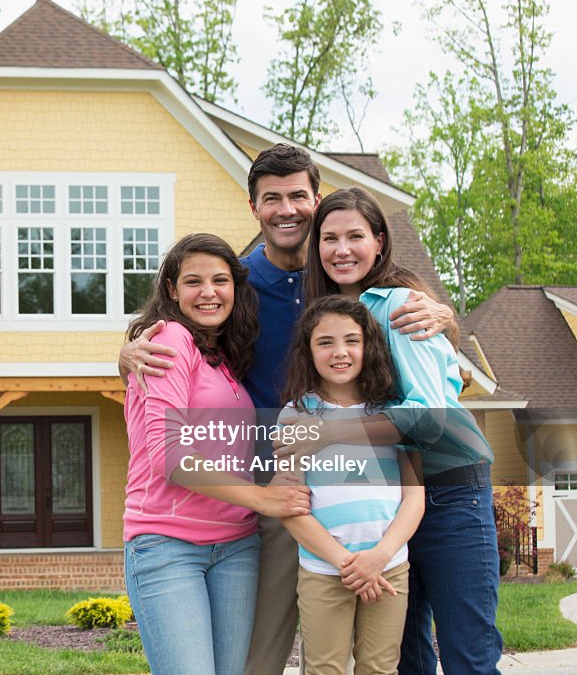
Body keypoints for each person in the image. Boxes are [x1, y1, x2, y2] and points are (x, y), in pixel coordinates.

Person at [120, 143, 456, 675]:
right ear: (252, 206)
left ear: (317, 200)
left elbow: (420, 341)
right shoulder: (238, 284)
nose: (287, 209)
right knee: (261, 654)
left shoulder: (350, 277)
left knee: (385, 649)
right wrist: (128, 350)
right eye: (271, 198)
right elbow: (184, 344)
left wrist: (444, 313)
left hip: (371, 493)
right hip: (274, 496)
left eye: (299, 195)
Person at [290, 187, 502, 675]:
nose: (342, 249)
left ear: (380, 241)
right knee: (404, 658)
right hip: (384, 504)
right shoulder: (328, 317)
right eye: (329, 238)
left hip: (449, 493)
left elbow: (428, 418)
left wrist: (333, 435)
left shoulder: (404, 304)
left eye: (355, 236)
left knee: (468, 654)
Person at [123, 232, 310, 675]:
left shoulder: (223, 356)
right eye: (194, 281)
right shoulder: (168, 339)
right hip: (169, 544)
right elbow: (169, 457)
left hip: (235, 547)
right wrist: (264, 499)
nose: (208, 292)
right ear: (171, 289)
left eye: (220, 280)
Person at [279, 295, 424, 675]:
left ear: (368, 346)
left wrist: (378, 558)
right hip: (325, 568)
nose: (339, 352)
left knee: (380, 668)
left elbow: (414, 498)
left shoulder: (394, 412)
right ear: (308, 351)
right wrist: (347, 564)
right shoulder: (295, 416)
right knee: (325, 668)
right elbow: (291, 508)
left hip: (388, 564)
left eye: (351, 340)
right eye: (325, 342)